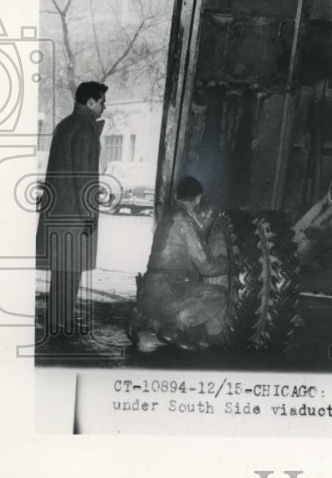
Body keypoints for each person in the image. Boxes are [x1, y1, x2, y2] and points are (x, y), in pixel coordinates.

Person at [36, 81, 107, 340]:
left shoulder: (65, 125)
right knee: (70, 273)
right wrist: (90, 214)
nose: (103, 106)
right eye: (101, 101)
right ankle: (61, 326)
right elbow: (85, 176)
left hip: (58, 212)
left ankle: (57, 322)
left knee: (61, 273)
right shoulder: (85, 130)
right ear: (90, 102)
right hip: (75, 215)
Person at [130, 176, 228, 352]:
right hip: (167, 293)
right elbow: (207, 267)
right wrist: (229, 264)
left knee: (178, 294)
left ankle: (143, 318)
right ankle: (176, 327)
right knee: (219, 295)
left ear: (176, 196)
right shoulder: (185, 222)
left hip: (146, 292)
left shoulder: (166, 219)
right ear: (198, 199)